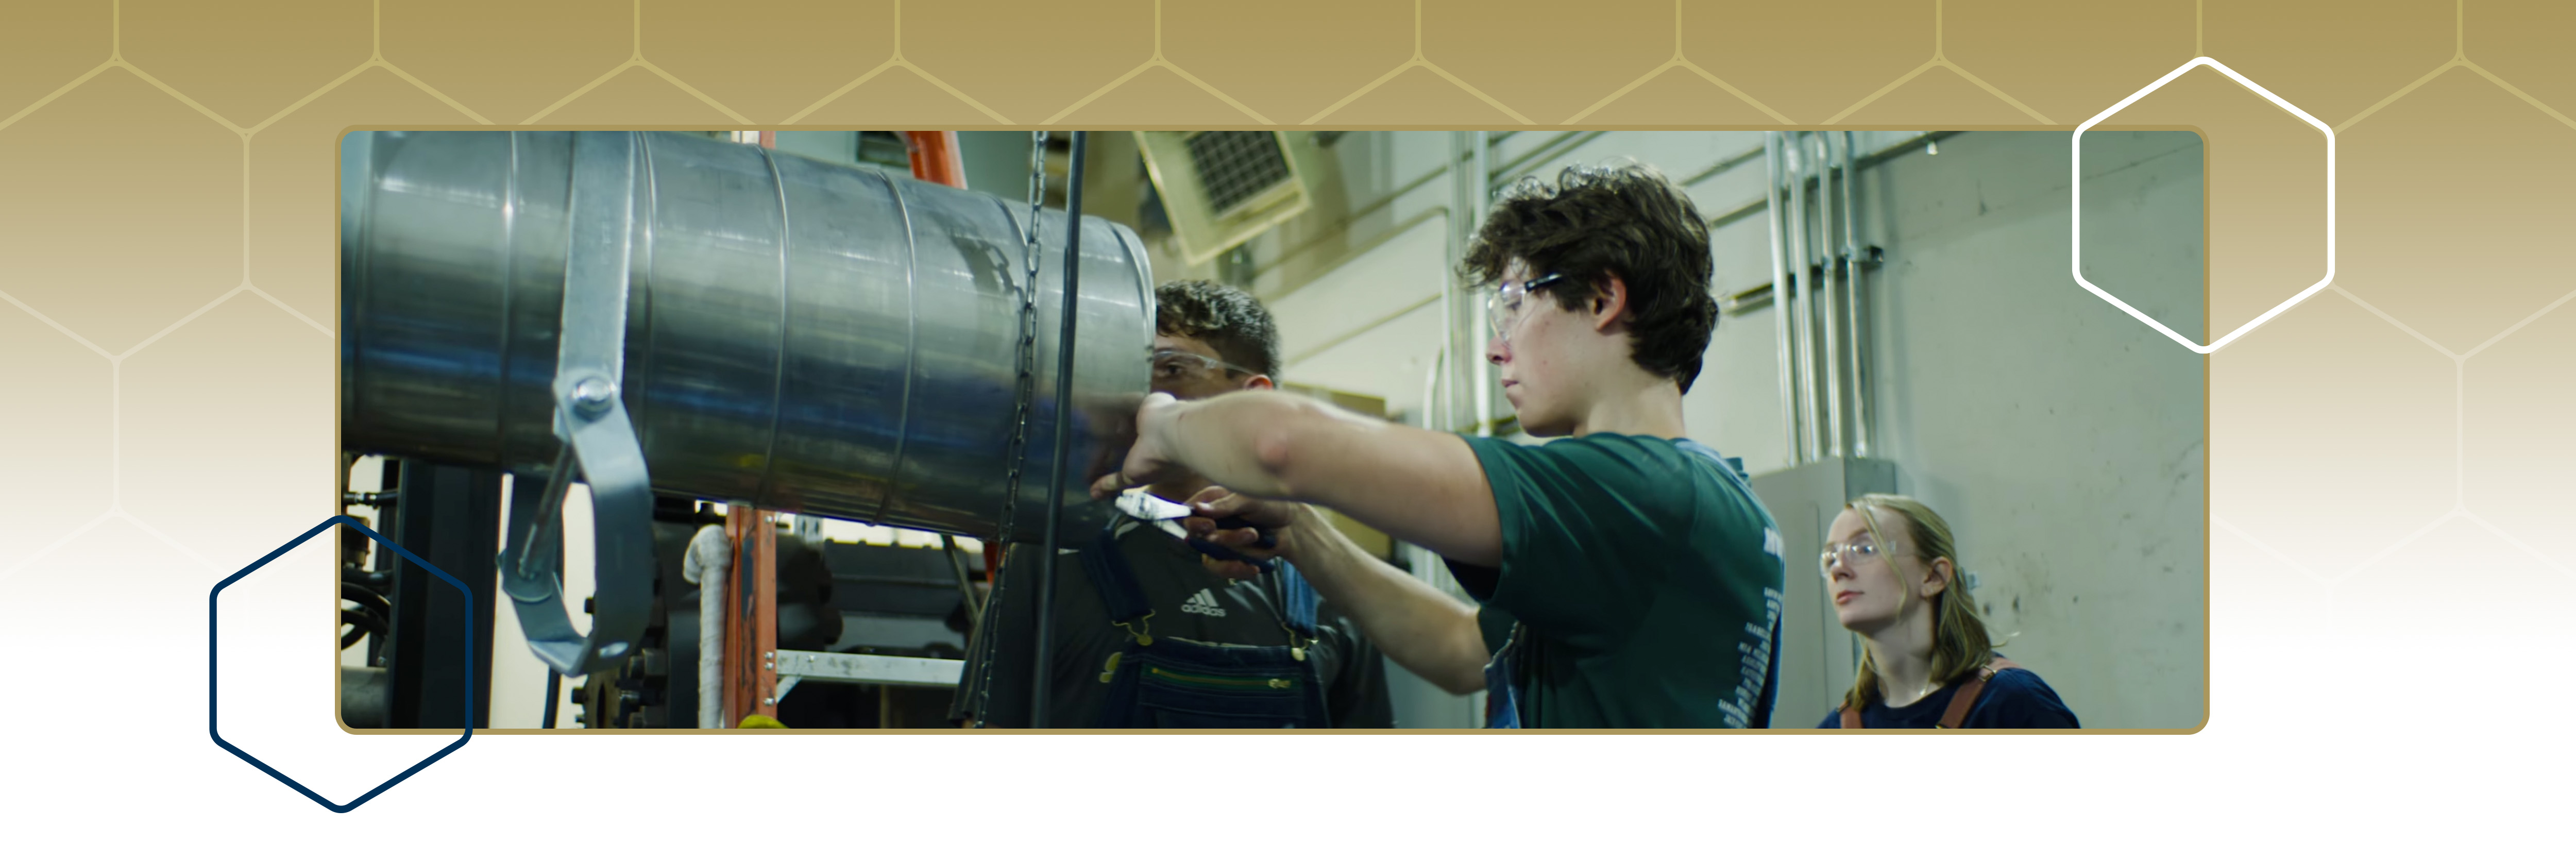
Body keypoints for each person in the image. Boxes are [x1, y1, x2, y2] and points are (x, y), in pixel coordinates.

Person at [1095, 164, 1787, 729]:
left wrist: (1158, 422)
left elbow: (1281, 442)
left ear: (1604, 297)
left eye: (1515, 300)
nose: (1496, 344)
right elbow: (1465, 650)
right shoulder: (1714, 501)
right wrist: (1303, 534)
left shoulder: (1637, 492)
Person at [951, 280, 1394, 728]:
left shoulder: (1329, 580)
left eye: (1170, 368)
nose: (1145, 397)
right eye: (1130, 371)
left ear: (1254, 397)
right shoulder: (1052, 555)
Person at [1814, 494, 2079, 729]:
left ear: (1934, 576)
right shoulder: (1835, 731)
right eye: (1830, 557)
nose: (1838, 569)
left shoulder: (2013, 706)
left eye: (1865, 549)